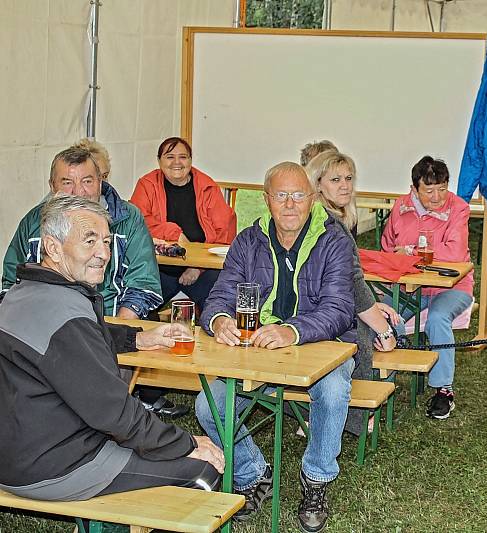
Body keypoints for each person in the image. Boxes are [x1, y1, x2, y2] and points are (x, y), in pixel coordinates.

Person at [0, 194, 223, 505]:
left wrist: (138, 339)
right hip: (55, 466)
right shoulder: (66, 317)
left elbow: (81, 339)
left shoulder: (22, 294)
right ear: (52, 247)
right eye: (89, 241)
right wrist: (186, 444)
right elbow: (116, 415)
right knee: (204, 470)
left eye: (106, 242)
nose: (103, 253)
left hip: (19, 452)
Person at [195, 162, 356, 529]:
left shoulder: (334, 241)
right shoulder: (248, 241)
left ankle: (316, 479)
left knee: (332, 391)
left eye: (298, 195)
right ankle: (253, 474)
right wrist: (219, 321)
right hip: (259, 349)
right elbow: (220, 296)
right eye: (280, 195)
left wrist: (291, 331)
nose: (289, 204)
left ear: (312, 199)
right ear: (266, 200)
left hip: (323, 345)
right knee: (209, 404)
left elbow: (339, 309)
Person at [1, 146, 188, 419]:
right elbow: (10, 282)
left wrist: (116, 335)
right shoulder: (33, 223)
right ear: (52, 186)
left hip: (112, 325)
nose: (78, 191)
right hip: (49, 332)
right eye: (68, 182)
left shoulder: (128, 219)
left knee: (97, 407)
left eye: (87, 181)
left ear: (101, 181)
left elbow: (143, 283)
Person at [305, 150, 400, 434]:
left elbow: (353, 281)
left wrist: (375, 307)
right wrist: (383, 330)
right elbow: (353, 286)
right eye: (335, 179)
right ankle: (354, 416)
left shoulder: (326, 217)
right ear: (317, 183)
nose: (345, 185)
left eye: (348, 178)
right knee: (383, 332)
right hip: (324, 315)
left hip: (319, 308)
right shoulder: (330, 225)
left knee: (384, 316)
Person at [380, 156, 474, 420]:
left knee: (437, 319)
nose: (437, 197)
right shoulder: (401, 207)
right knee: (386, 318)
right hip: (410, 285)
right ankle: (385, 379)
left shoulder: (459, 208)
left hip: (452, 286)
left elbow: (454, 253)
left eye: (442, 188)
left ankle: (444, 390)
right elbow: (388, 247)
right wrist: (402, 264)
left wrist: (410, 252)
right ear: (414, 189)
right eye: (429, 190)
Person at [130, 137, 237, 312]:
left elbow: (225, 230)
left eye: (183, 157)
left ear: (190, 160)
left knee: (220, 309)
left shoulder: (207, 186)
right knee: (138, 310)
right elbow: (137, 221)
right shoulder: (147, 184)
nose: (177, 162)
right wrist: (173, 233)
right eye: (170, 157)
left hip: (202, 271)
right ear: (159, 161)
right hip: (157, 269)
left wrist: (197, 267)